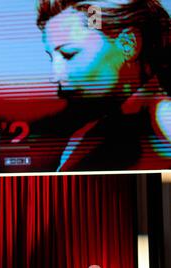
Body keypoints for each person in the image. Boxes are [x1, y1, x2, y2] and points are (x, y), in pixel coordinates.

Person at [32, 0, 171, 172]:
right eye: (52, 58)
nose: (55, 76)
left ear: (128, 45)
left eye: (69, 55)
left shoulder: (162, 117)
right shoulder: (86, 136)